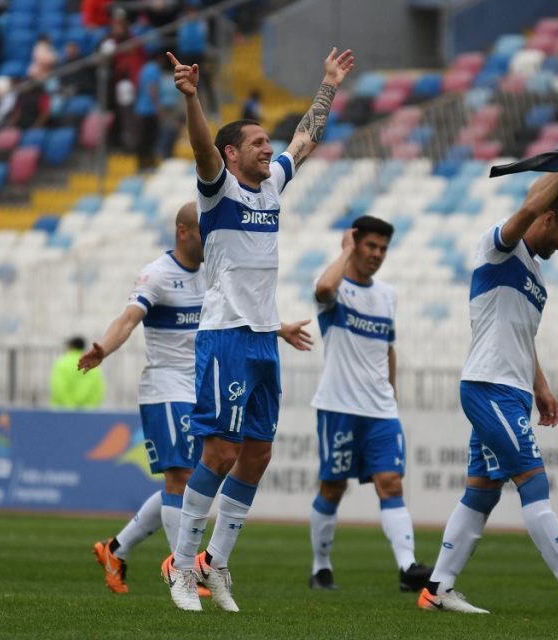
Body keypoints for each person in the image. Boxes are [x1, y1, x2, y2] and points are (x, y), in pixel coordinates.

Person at [160, 46, 354, 613]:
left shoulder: (271, 186)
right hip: (225, 334)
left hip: (263, 336)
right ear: (232, 154)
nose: (269, 149)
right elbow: (202, 147)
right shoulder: (218, 189)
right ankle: (181, 567)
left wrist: (328, 85)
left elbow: (307, 138)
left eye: (269, 143)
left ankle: (215, 563)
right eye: (258, 143)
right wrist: (192, 98)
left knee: (258, 454)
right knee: (219, 451)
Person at [82, 202, 314, 594]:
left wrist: (280, 328)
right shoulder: (157, 274)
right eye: (204, 232)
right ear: (183, 231)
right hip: (165, 388)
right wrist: (104, 348)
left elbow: (239, 312)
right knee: (182, 478)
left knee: (190, 479)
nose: (212, 238)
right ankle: (184, 571)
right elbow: (128, 319)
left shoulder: (215, 271)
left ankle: (115, 549)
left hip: (203, 385)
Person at [418, 165, 558, 615]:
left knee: (482, 490)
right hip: (488, 386)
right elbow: (529, 205)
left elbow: (522, 337)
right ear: (548, 218)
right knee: (533, 478)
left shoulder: (536, 278)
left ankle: (437, 589)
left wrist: (540, 386)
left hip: (512, 391)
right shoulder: (498, 248)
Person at [307, 216, 432, 592]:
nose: (377, 254)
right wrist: (345, 251)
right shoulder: (336, 287)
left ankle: (408, 568)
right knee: (333, 488)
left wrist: (392, 391)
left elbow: (387, 348)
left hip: (381, 410)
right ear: (355, 245)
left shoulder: (387, 295)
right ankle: (321, 566)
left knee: (390, 483)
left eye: (383, 249)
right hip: (339, 406)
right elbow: (323, 289)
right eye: (370, 246)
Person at [50, 336, 105, 409]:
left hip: (62, 411)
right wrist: (88, 408)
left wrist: (70, 407)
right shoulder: (92, 365)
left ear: (70, 346)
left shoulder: (62, 363)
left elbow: (58, 387)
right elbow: (98, 389)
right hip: (87, 412)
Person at [134, 55, 161, 170]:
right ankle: (148, 163)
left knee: (142, 138)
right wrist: (157, 107)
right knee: (150, 138)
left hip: (140, 108)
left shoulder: (144, 69)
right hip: (149, 110)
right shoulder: (154, 69)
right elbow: (152, 88)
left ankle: (141, 163)